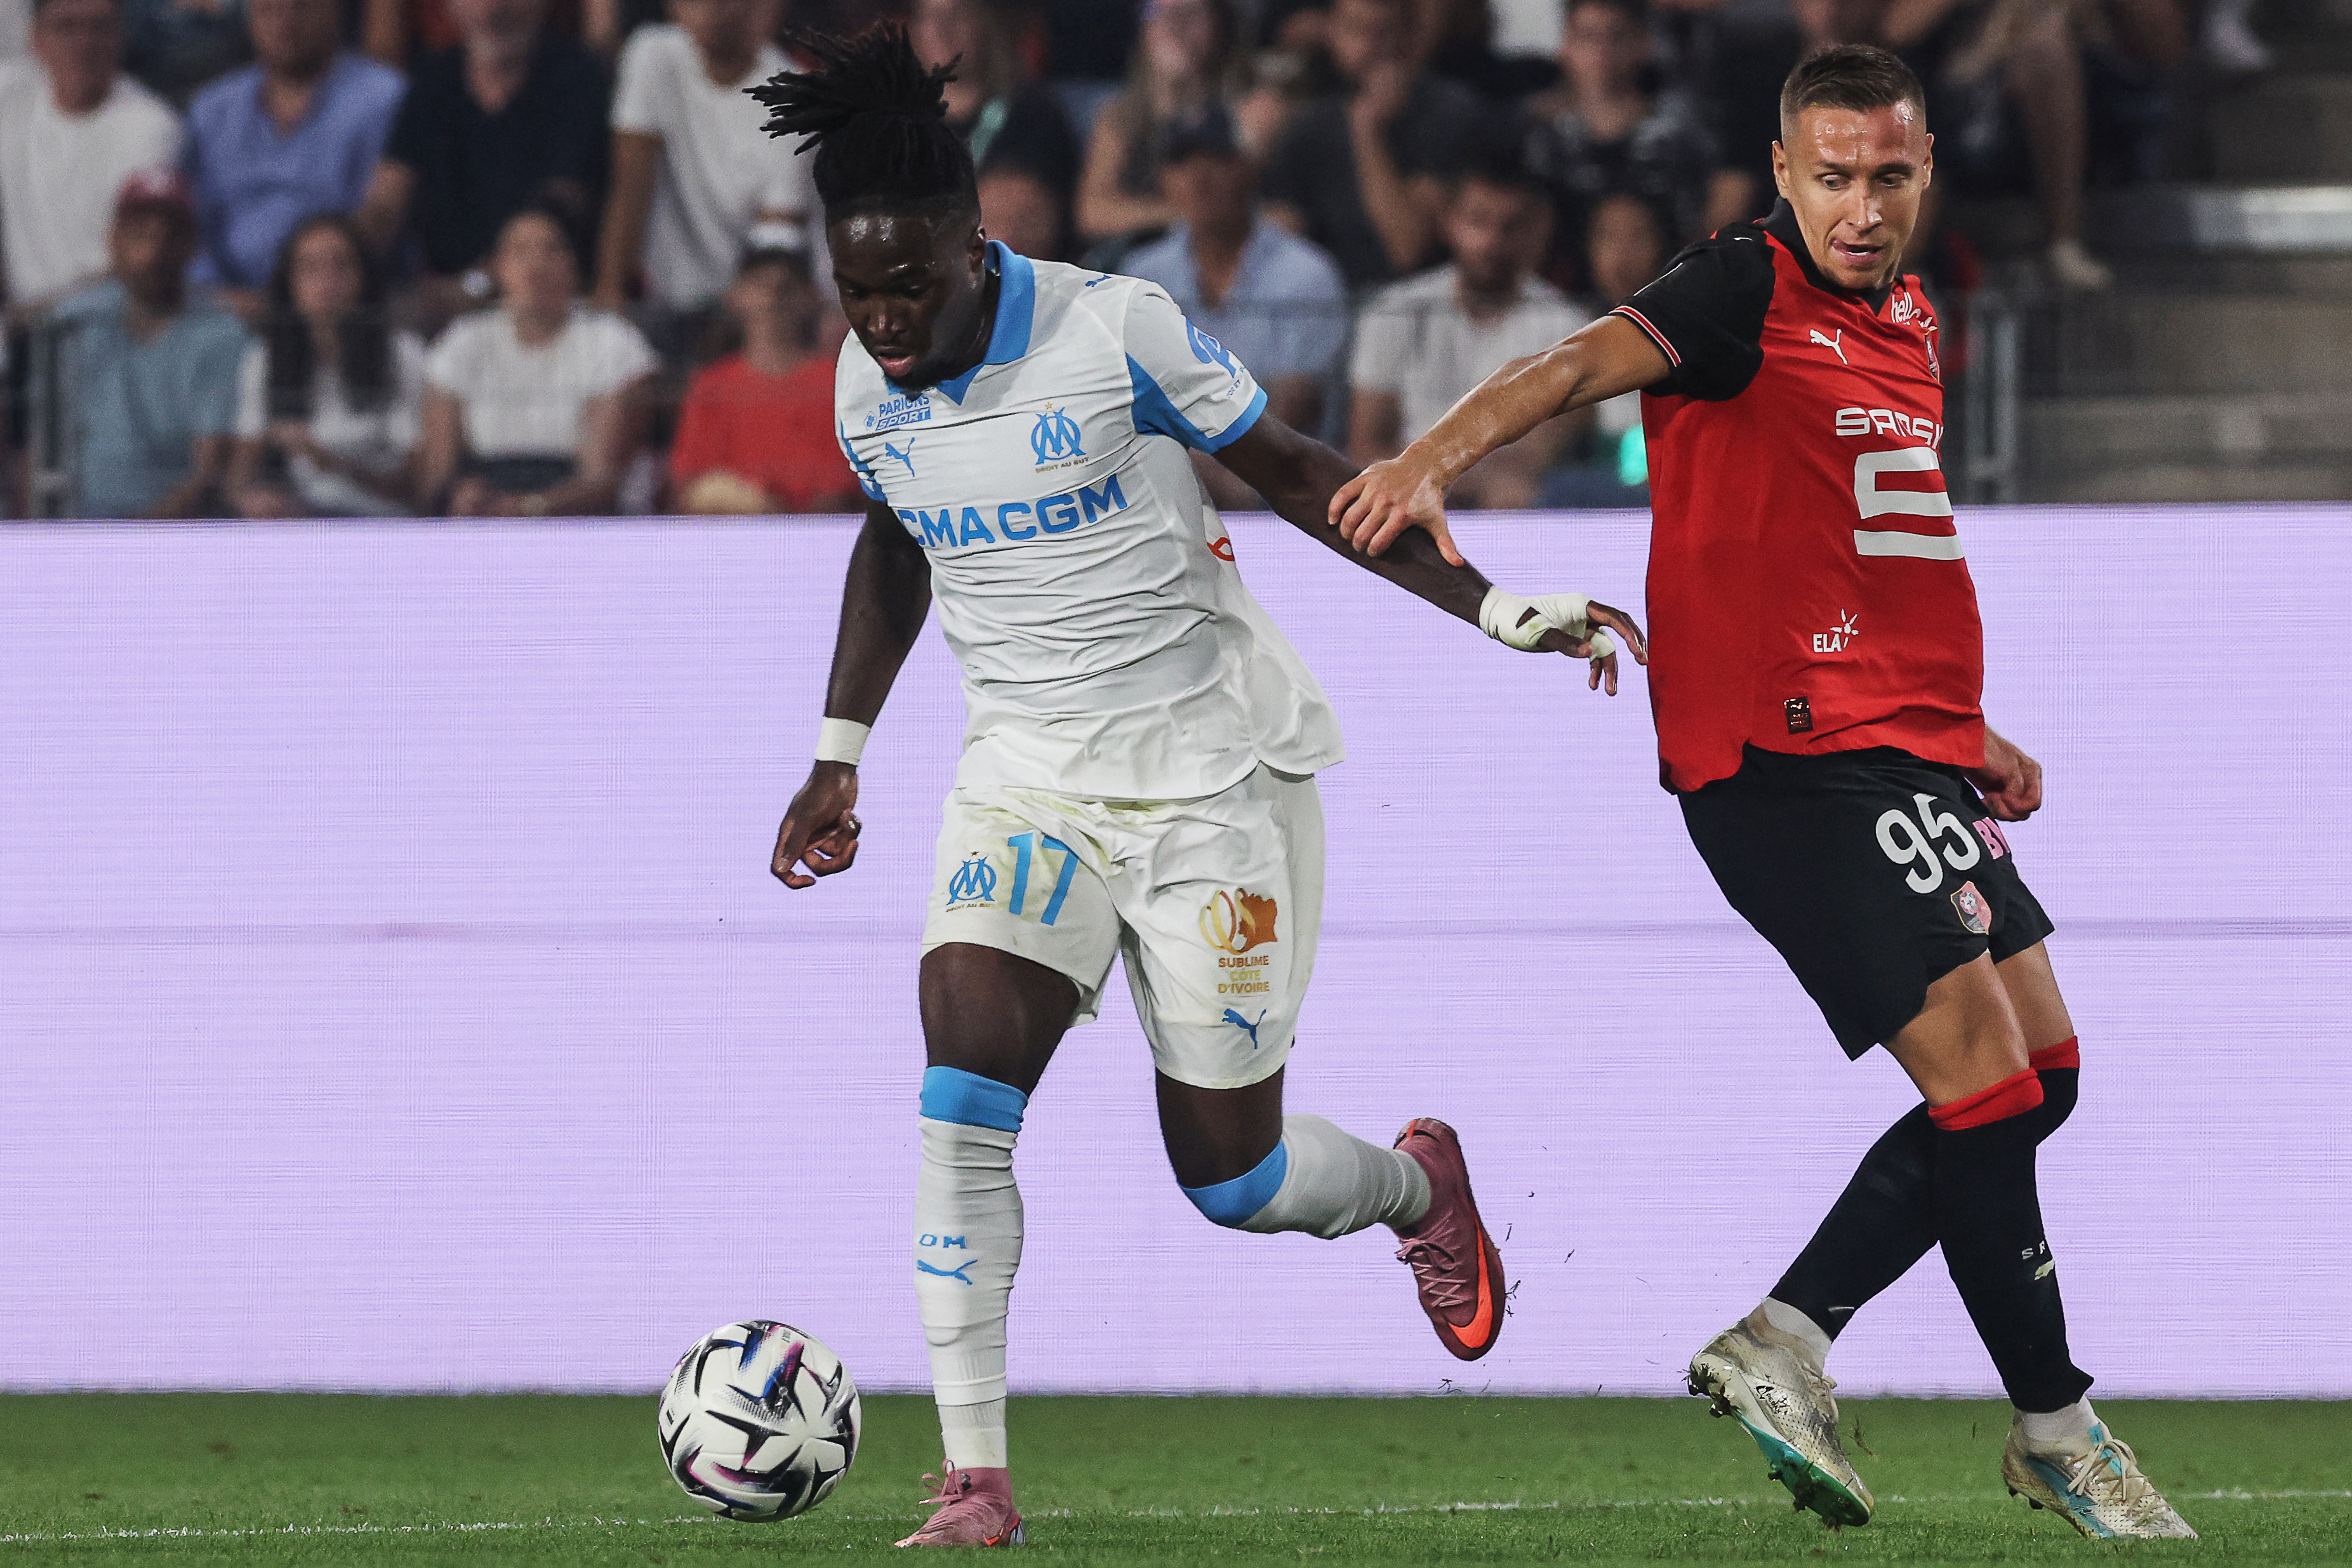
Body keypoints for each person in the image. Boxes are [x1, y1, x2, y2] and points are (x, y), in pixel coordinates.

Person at [749, 25, 1643, 1548]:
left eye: (911, 284)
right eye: (859, 291)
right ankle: (976, 1480)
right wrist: (839, 752)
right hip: (1023, 779)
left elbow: (1301, 475)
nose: (886, 319)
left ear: (982, 242)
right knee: (959, 1100)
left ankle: (1420, 1189)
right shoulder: (866, 383)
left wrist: (1498, 608)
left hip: (1209, 777)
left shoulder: (1118, 330)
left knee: (1230, 1179)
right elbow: (897, 533)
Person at [1333, 44, 2199, 1541]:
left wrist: (1962, 725)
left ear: (1923, 170)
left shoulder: (1916, 317)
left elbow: (1865, 546)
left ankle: (1786, 1335)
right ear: (1785, 173)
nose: (1861, 207)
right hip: (1782, 759)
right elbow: (1565, 367)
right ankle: (2055, 1422)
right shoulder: (1738, 287)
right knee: (1987, 1084)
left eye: (1889, 177)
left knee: (2042, 1077)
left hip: (1897, 745)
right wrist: (1426, 458)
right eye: (1833, 177)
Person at [1348, 164, 1588, 510]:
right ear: (1450, 222)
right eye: (1478, 221)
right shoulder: (1395, 312)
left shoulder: (1568, 327)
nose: (1492, 241)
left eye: (1510, 227)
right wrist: (1430, 482)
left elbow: (1540, 456)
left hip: (1510, 507)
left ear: (1536, 230)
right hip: (1404, 503)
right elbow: (1363, 444)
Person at [355, 0, 609, 324]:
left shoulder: (578, 76)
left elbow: (562, 204)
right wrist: (344, 260)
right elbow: (384, 204)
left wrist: (478, 284)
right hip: (443, 304)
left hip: (550, 304)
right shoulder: (432, 80)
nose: (492, 10)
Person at [1124, 102, 1348, 439]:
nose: (1199, 179)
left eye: (1216, 159)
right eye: (1181, 163)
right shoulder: (1142, 274)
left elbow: (1290, 415)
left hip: (1282, 476)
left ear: (1249, 168)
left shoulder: (1307, 273)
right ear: (1163, 179)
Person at [417, 201, 655, 515]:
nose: (536, 264)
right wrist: (460, 495)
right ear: (498, 266)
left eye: (551, 250)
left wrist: (528, 507)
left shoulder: (612, 341)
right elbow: (437, 472)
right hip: (484, 501)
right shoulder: (464, 339)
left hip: (577, 513)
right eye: (520, 251)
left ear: (574, 265)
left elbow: (601, 478)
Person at [1258, 0, 1506, 289]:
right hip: (1330, 300)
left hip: (1420, 303)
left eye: (1383, 32)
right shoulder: (1312, 124)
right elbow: (1278, 240)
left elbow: (1408, 250)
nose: (1370, 46)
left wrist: (1367, 131)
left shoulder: (1451, 113)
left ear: (1410, 36)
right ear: (1333, 33)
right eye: (1357, 30)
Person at [590, 0, 816, 314]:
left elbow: (775, 242)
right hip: (662, 299)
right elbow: (631, 185)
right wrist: (610, 294)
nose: (710, 10)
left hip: (754, 305)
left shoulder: (794, 99)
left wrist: (731, 324)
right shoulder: (651, 54)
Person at [53, 170, 249, 515]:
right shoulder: (76, 322)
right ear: (113, 241)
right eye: (139, 235)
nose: (154, 251)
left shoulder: (222, 331)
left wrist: (134, 540)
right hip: (74, 522)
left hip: (173, 530)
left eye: (171, 237)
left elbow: (210, 471)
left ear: (194, 245)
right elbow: (39, 441)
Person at [182, 0, 405, 302]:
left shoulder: (385, 100)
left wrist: (303, 296)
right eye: (268, 11)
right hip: (227, 308)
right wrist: (218, 298)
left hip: (343, 303)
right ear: (249, 20)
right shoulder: (212, 109)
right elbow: (192, 223)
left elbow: (380, 219)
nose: (284, 24)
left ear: (333, 10)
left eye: (299, 7)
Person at [1520, 0, 1743, 272]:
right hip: (1562, 297)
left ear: (1643, 44)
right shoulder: (1543, 136)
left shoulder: (1680, 133)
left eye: (1615, 37)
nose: (1602, 52)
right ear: (1565, 46)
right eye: (1588, 37)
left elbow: (1705, 227)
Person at [228, 213, 425, 515]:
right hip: (300, 523)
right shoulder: (265, 358)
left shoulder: (402, 353)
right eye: (310, 268)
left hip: (382, 523)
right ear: (289, 282)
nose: (326, 281)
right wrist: (254, 499)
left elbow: (417, 487)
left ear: (365, 277)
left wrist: (325, 460)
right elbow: (240, 475)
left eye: (341, 266)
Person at [0, 0, 182, 316]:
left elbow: (138, 261)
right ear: (36, 40)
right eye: (66, 27)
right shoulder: (11, 95)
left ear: (121, 36)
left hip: (107, 325)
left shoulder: (152, 128)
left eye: (99, 27)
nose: (84, 43)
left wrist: (37, 315)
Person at [668, 241, 856, 513]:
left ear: (810, 296)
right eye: (760, 285)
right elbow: (691, 484)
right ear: (736, 296)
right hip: (730, 533)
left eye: (786, 286)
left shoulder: (835, 382)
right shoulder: (711, 385)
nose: (774, 296)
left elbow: (840, 488)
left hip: (816, 534)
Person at [1073, 0, 1273, 246]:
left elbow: (1253, 209)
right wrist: (1181, 215)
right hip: (1140, 262)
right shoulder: (1120, 115)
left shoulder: (1255, 107)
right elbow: (1091, 214)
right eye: (1159, 13)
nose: (1176, 26)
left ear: (1221, 23)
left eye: (1191, 14)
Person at [908, 0, 1078, 206]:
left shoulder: (1033, 114)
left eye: (958, 16)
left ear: (986, 23)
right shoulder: (893, 118)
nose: (942, 29)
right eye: (929, 17)